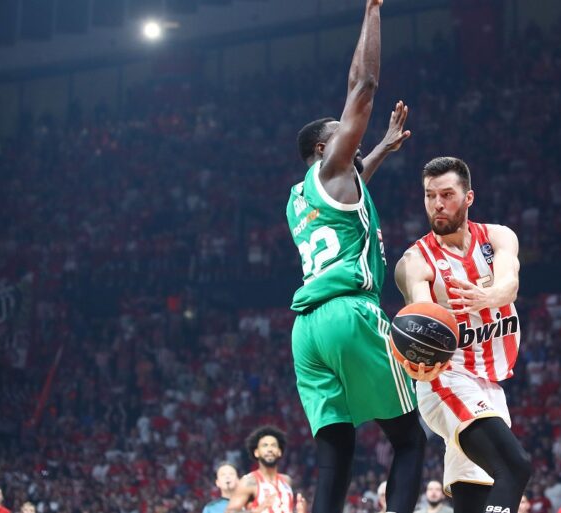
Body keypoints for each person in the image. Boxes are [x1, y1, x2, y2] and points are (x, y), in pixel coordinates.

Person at [284, 1, 426, 512]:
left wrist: (383, 148)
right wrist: (372, 11)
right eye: (341, 134)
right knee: (410, 439)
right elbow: (362, 85)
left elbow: (355, 182)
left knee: (336, 449)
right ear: (325, 149)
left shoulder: (299, 197)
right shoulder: (332, 169)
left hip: (307, 330)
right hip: (350, 313)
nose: (352, 137)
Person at [395, 156, 531, 513]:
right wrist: (419, 353)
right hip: (446, 379)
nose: (437, 204)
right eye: (430, 195)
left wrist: (488, 296)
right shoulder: (415, 261)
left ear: (468, 197)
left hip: (489, 384)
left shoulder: (498, 237)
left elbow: (510, 284)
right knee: (514, 467)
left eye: (446, 195)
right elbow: (421, 315)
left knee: (474, 495)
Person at [225, 426, 305, 513]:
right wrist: (257, 510)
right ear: (256, 452)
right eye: (265, 445)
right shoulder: (249, 482)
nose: (269, 449)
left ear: (279, 452)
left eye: (273, 445)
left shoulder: (287, 481)